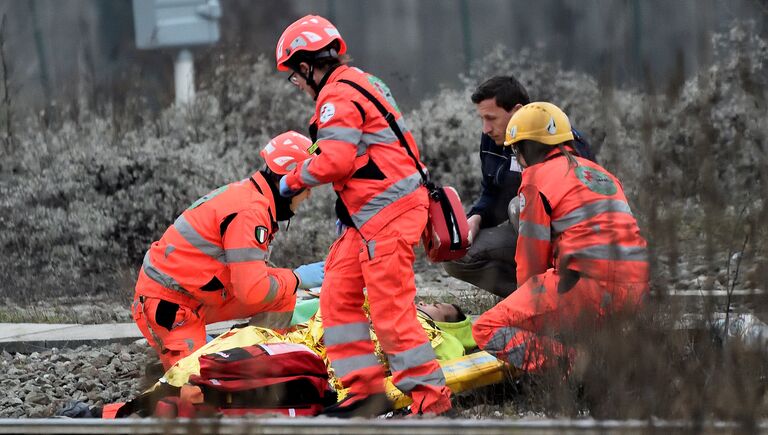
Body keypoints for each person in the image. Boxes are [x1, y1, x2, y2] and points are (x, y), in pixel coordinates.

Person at [274, 15, 452, 417]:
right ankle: (365, 394)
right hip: (368, 218)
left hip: (387, 216)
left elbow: (334, 160)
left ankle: (432, 402)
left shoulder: (336, 97)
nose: (296, 84)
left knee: (391, 311)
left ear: (307, 65)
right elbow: (364, 156)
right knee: (337, 300)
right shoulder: (361, 83)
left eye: (294, 75)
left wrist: (290, 180)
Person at [472, 102, 649, 372]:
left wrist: (522, 309)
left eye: (515, 150)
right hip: (635, 287)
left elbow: (531, 260)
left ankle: (579, 367)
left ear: (525, 148)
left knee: (487, 328)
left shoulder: (536, 178)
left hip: (584, 284)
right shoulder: (603, 175)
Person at [132, 131, 326, 370]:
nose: (309, 193)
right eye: (306, 184)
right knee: (198, 389)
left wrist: (292, 281)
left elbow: (251, 278)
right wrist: (297, 278)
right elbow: (252, 291)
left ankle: (260, 360)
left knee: (283, 295)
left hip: (194, 296)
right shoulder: (250, 213)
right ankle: (222, 359)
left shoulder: (251, 198)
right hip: (169, 307)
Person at [443, 76, 595, 298]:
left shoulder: (559, 136)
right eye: (481, 119)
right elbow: (492, 192)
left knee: (520, 205)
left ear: (516, 111)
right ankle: (531, 298)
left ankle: (564, 296)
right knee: (456, 256)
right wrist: (475, 219)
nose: (485, 128)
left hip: (571, 240)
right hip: (525, 229)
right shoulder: (491, 139)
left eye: (491, 118)